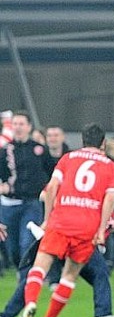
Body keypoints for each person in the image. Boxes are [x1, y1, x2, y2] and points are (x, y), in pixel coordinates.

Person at [18, 123, 114, 317]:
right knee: (69, 276)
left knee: (40, 266)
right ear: (103, 143)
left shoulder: (68, 158)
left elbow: (51, 189)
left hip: (61, 220)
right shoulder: (111, 167)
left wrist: (47, 220)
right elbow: (109, 199)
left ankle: (30, 302)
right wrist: (102, 229)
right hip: (86, 227)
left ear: (82, 141)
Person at [0, 223, 114, 317]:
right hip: (78, 237)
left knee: (38, 273)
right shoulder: (101, 195)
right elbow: (104, 209)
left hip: (56, 233)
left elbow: (46, 195)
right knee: (93, 273)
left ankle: (7, 316)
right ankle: (102, 315)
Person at [0, 112, 51, 267]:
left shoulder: (39, 150)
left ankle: (26, 282)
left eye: (21, 124)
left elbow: (52, 173)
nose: (18, 127)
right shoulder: (5, 151)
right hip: (9, 204)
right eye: (15, 124)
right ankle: (21, 272)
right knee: (12, 248)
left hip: (31, 203)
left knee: (26, 243)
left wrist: (46, 190)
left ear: (29, 127)